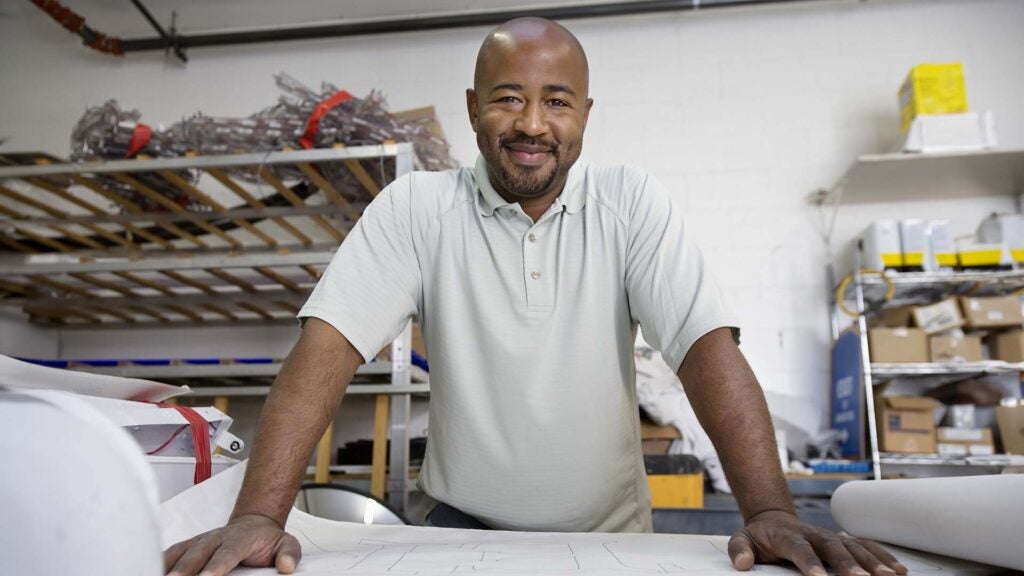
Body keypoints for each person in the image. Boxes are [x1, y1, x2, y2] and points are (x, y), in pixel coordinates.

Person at [164, 17, 906, 576]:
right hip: (453, 532)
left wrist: (769, 509)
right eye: (509, 99)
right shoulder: (416, 209)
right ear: (472, 106)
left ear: (586, 111)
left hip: (611, 538)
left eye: (557, 101)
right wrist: (259, 513)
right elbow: (323, 352)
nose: (531, 124)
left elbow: (706, 350)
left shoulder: (630, 203)